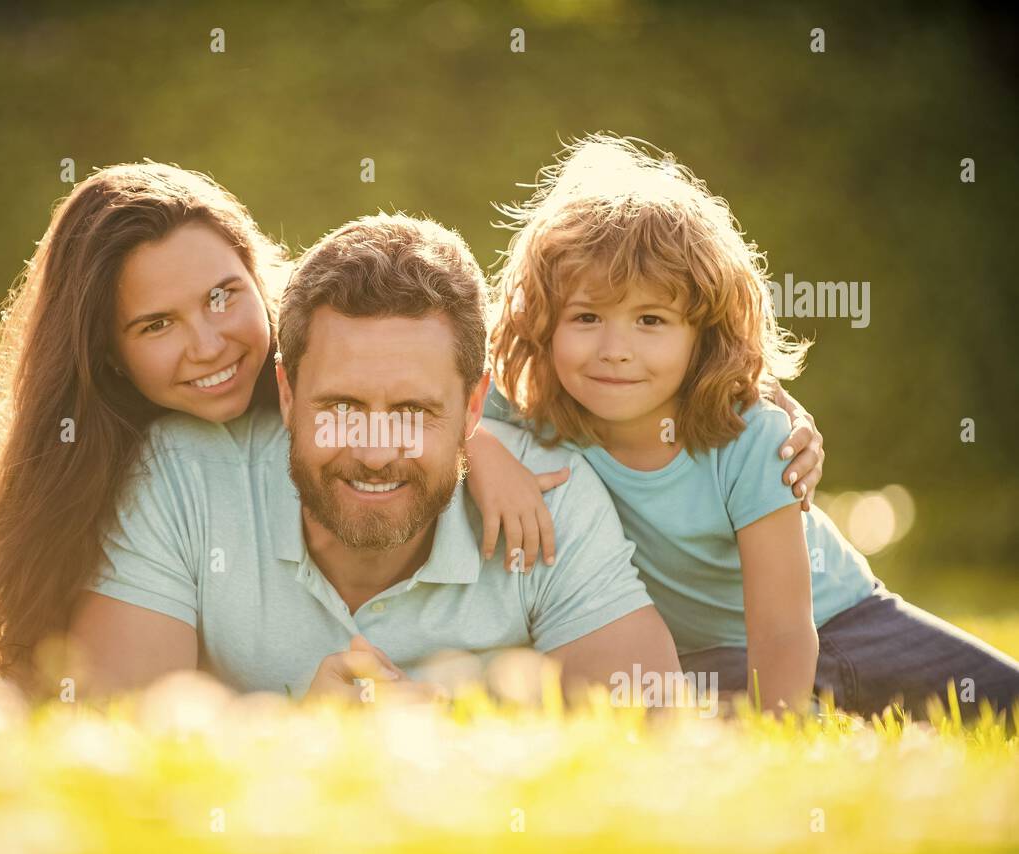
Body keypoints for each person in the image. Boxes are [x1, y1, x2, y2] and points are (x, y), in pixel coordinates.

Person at [480, 133, 1019, 718]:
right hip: (708, 656)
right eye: (586, 317)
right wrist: (484, 456)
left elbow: (787, 629)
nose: (615, 349)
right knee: (686, 716)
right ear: (542, 323)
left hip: (841, 623)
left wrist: (776, 725)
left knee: (1002, 703)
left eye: (651, 320)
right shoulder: (536, 411)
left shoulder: (749, 439)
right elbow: (448, 413)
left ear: (703, 333)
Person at [69, 213, 683, 705]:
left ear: (475, 409)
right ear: (285, 393)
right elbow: (117, 735)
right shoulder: (185, 475)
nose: (375, 452)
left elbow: (652, 735)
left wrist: (462, 736)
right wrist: (299, 738)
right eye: (340, 406)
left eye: (413, 412)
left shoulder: (550, 494)